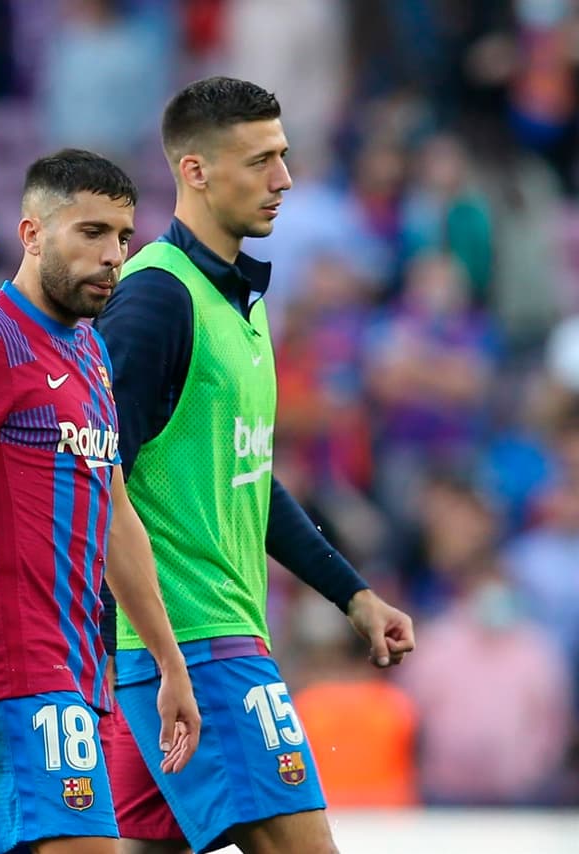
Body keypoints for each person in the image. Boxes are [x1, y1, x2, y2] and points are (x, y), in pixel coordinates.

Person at [92, 76, 417, 854]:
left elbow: (246, 478)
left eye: (284, 155)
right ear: (196, 171)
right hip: (195, 646)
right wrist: (154, 649)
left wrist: (352, 594)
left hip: (183, 649)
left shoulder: (239, 299)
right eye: (260, 160)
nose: (285, 179)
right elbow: (95, 483)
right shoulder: (155, 302)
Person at [0, 148, 201, 854]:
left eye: (122, 237)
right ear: (32, 234)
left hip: (75, 666)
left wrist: (169, 662)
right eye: (91, 233)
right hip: (10, 665)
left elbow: (115, 520)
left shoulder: (90, 351)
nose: (113, 256)